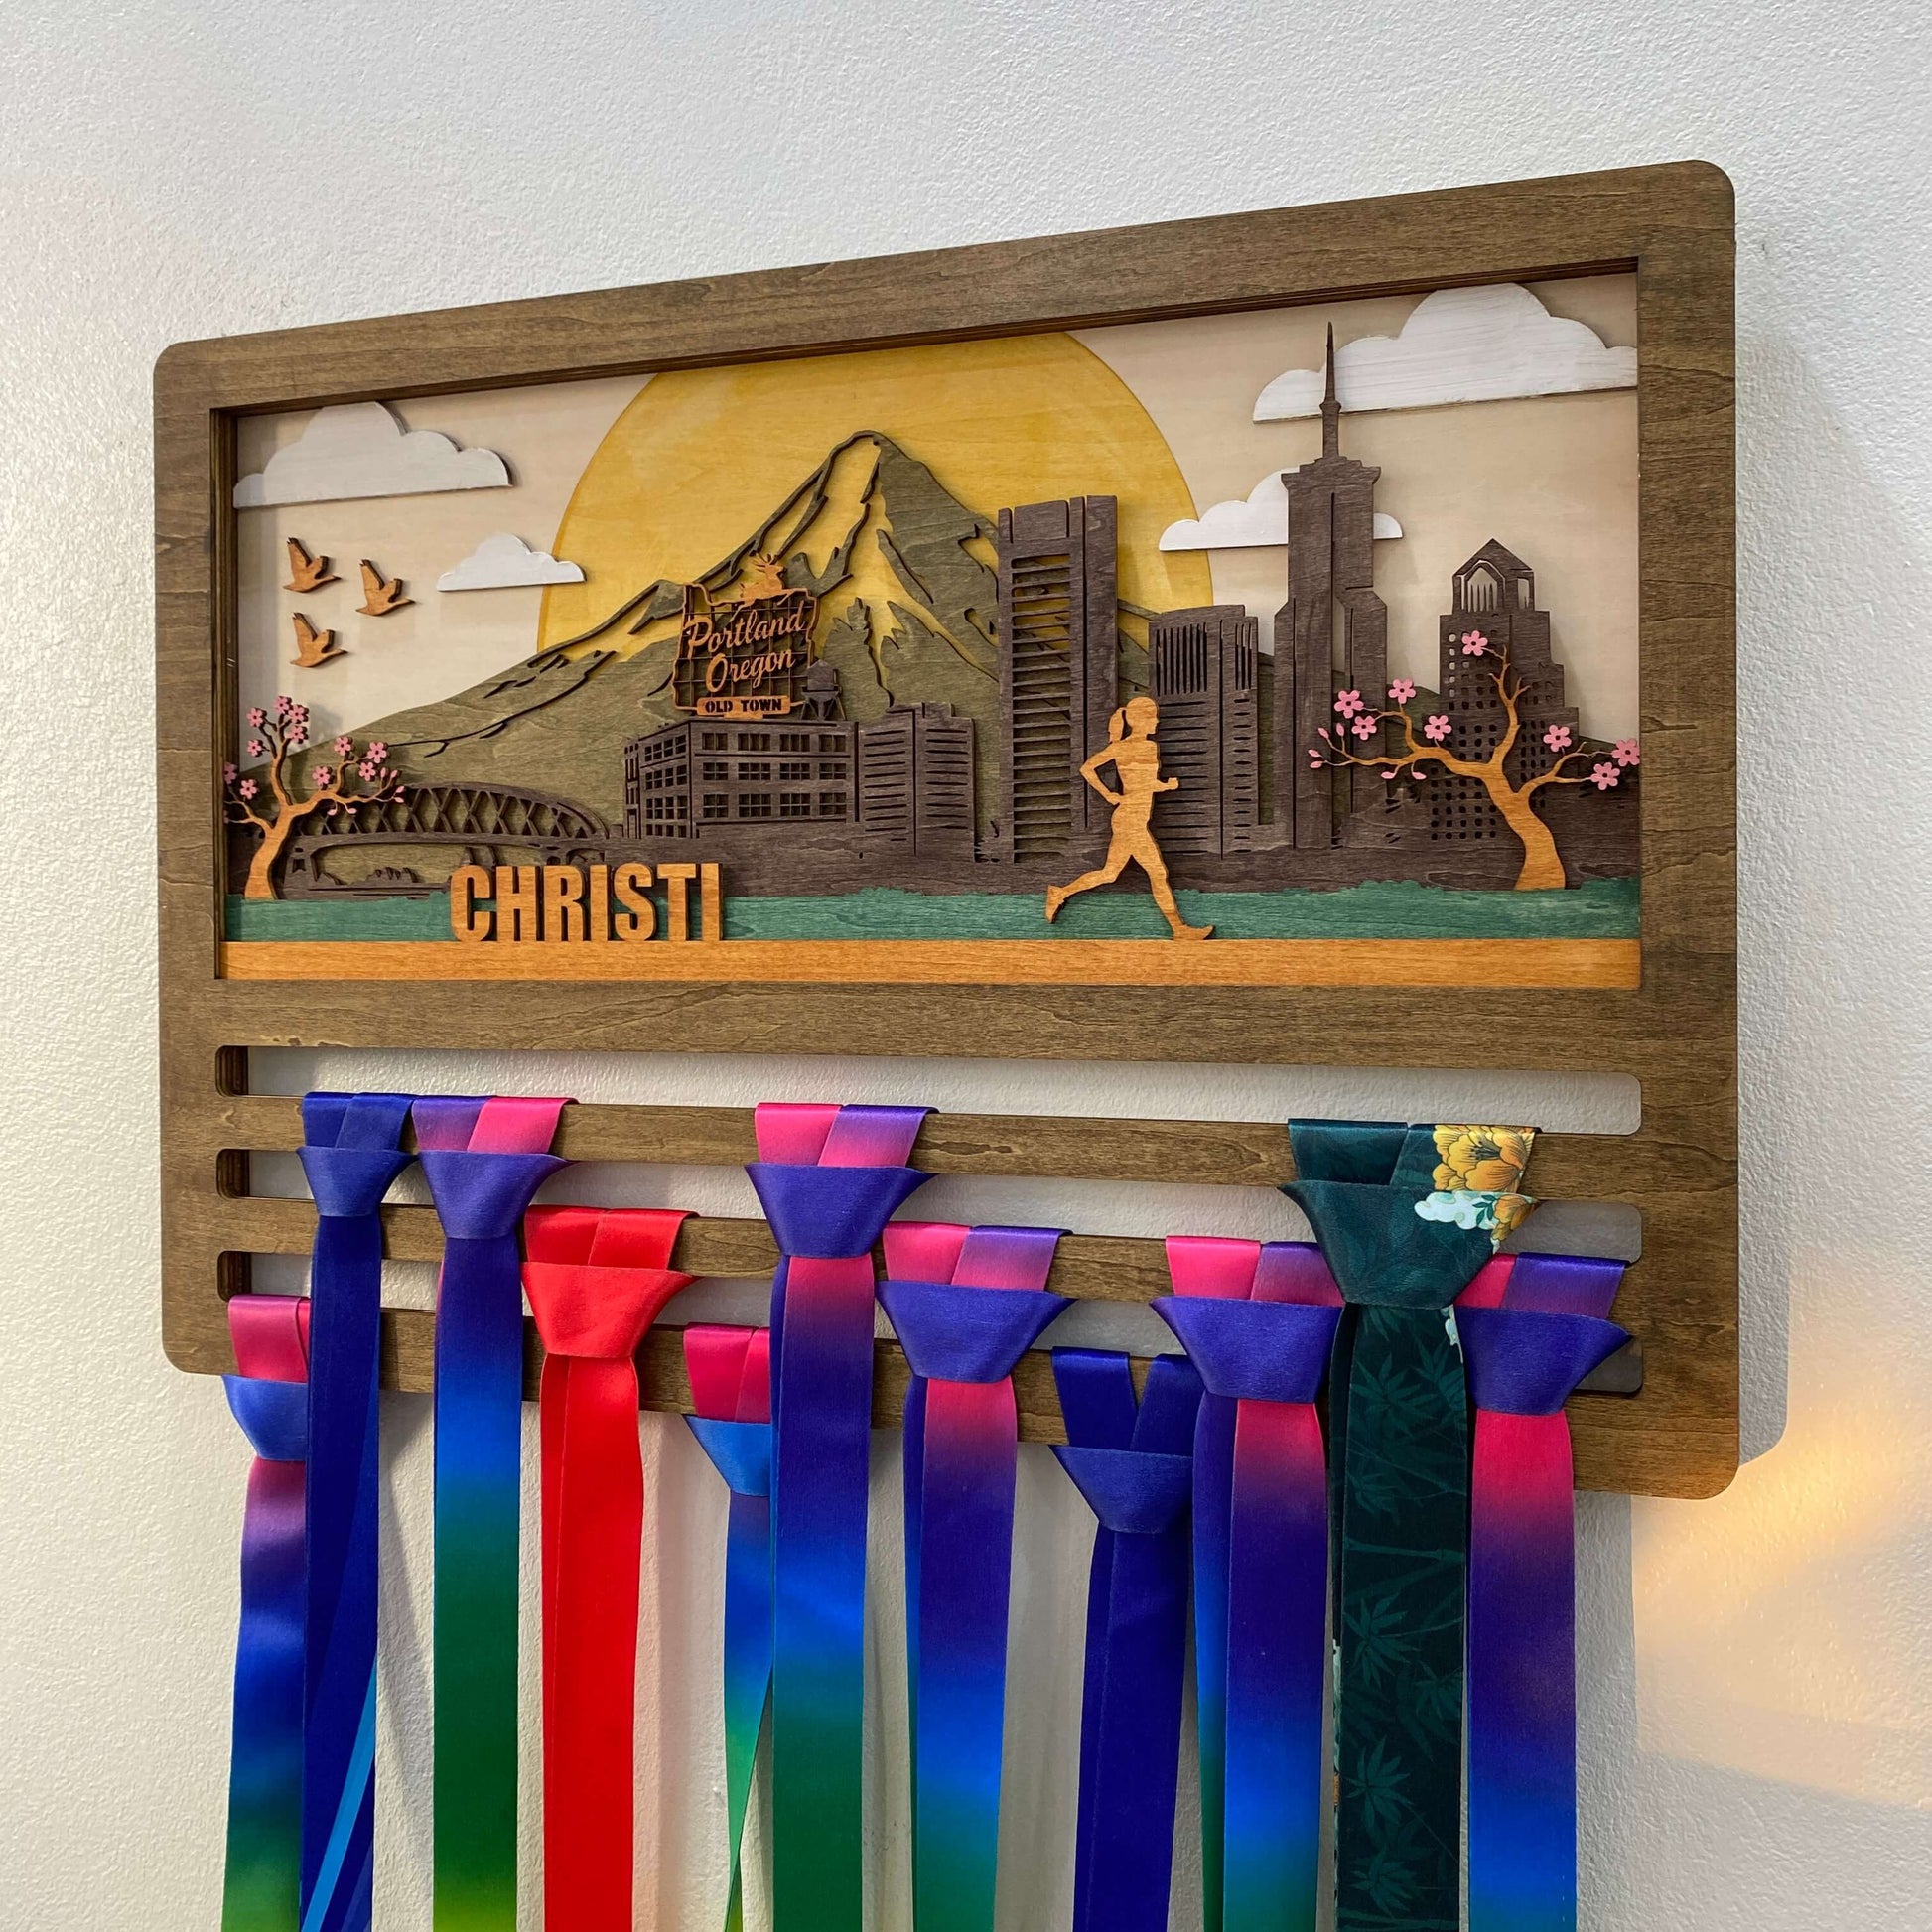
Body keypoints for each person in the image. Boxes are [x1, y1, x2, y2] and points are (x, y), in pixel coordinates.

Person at [1044, 695, 1212, 941]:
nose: (1156, 721)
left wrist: (1160, 787)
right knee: (1156, 873)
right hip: (1130, 821)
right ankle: (1179, 929)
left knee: (1110, 873)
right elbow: (1094, 770)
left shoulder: (1126, 747)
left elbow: (1132, 780)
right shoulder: (1144, 747)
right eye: (1152, 717)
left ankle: (1060, 893)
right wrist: (1112, 794)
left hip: (1130, 818)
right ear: (1139, 720)